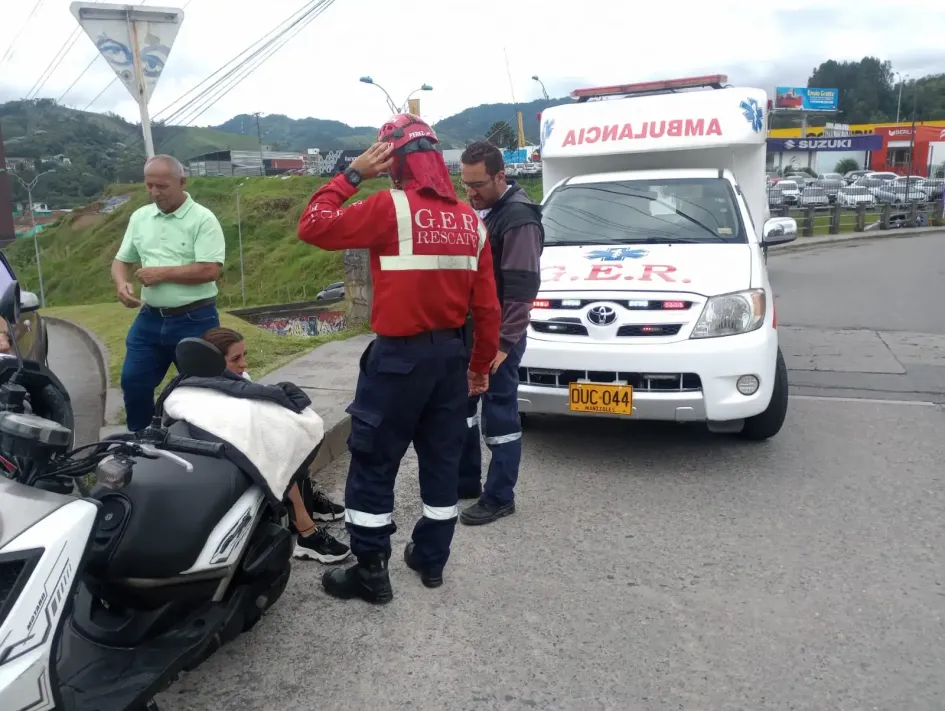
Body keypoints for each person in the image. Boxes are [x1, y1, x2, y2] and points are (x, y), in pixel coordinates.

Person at [297, 114, 501, 605]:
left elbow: (313, 225)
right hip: (450, 360)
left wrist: (352, 174)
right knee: (442, 461)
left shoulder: (390, 208)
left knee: (373, 462)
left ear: (393, 162)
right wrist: (478, 367)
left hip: (397, 362)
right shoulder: (470, 220)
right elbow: (487, 307)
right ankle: (430, 559)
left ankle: (371, 572)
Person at [200, 326, 351, 563]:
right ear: (213, 361)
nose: (244, 364)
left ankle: (307, 498)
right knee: (277, 450)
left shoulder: (233, 380)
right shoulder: (205, 392)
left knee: (292, 435)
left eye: (245, 355)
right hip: (230, 454)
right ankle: (307, 533)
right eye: (235, 359)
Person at [457, 141, 544, 526]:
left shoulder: (518, 218)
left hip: (499, 338)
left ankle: (499, 497)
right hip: (473, 331)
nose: (471, 192)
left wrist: (504, 344)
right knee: (464, 409)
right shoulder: (486, 211)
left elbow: (522, 290)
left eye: (478, 184)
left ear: (500, 177)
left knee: (499, 416)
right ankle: (466, 482)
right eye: (465, 184)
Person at [111, 155, 225, 432]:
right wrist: (121, 283)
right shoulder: (140, 217)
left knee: (201, 389)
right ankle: (140, 440)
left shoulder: (203, 219)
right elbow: (121, 260)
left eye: (162, 186)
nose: (154, 192)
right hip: (149, 319)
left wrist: (162, 274)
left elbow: (210, 269)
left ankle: (199, 443)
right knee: (133, 381)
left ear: (182, 182)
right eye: (149, 185)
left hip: (195, 319)